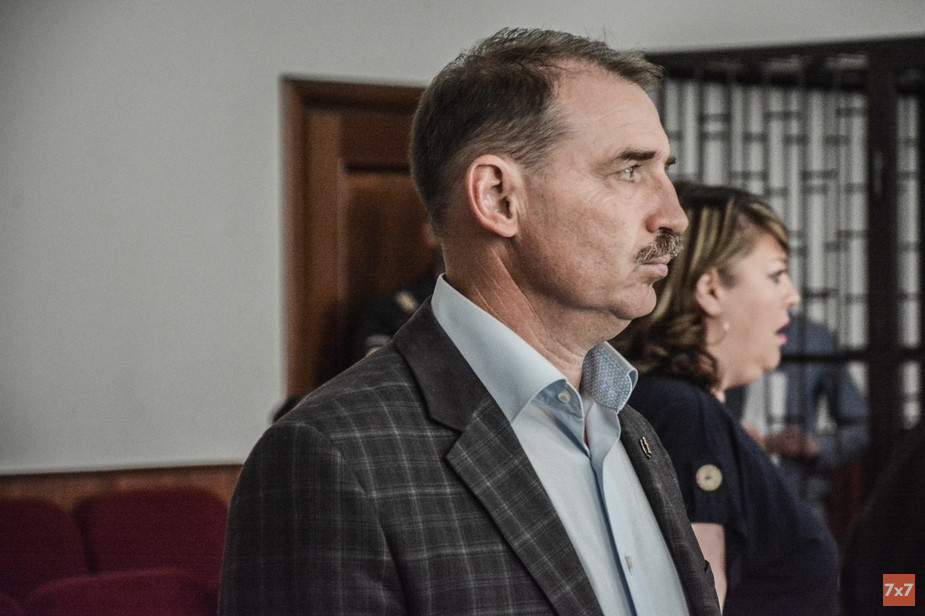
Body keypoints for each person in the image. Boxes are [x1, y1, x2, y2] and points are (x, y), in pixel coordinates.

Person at [219, 27, 721, 616]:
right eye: (630, 170)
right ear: (499, 198)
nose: (675, 215)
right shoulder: (331, 456)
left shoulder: (629, 425)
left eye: (664, 170)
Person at [613, 181, 839, 615]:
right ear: (711, 290)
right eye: (775, 275)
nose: (792, 296)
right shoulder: (686, 412)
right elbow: (702, 601)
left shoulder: (671, 402)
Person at [727, 313, 870, 524]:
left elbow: (860, 428)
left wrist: (814, 445)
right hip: (729, 495)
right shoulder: (722, 332)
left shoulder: (814, 338)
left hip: (798, 497)